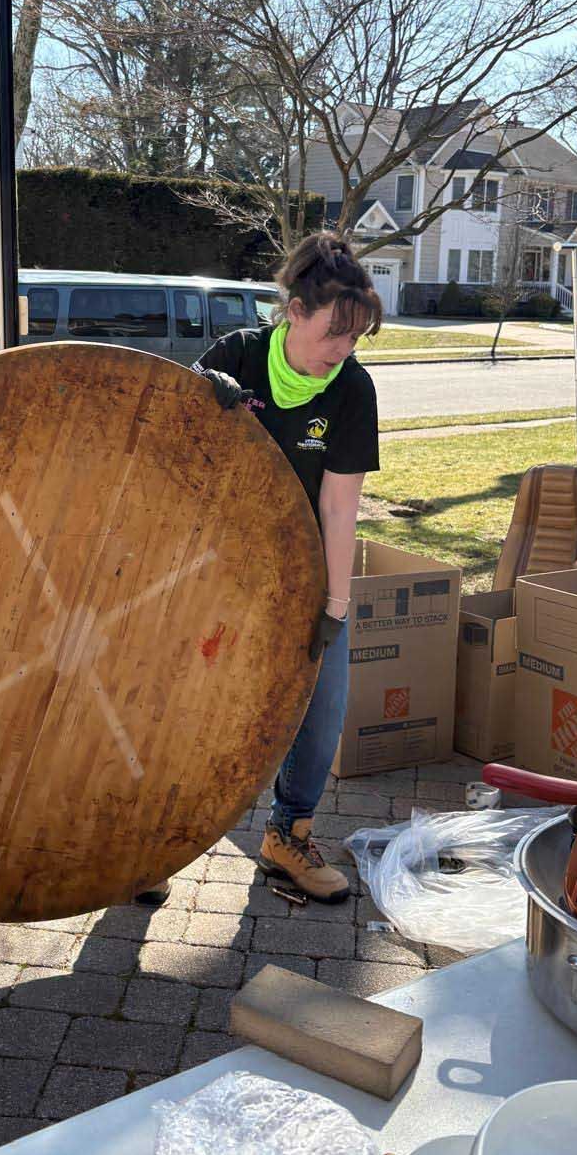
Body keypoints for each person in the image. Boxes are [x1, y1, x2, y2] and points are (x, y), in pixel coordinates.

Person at [137, 233, 381, 906]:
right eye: (336, 333)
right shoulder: (236, 358)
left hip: (299, 573)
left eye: (358, 338)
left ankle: (288, 837)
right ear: (296, 311)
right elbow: (171, 460)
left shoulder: (353, 389)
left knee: (321, 704)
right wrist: (198, 405)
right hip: (211, 569)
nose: (345, 351)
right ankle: (153, 843)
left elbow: (339, 508)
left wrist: (335, 607)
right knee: (185, 705)